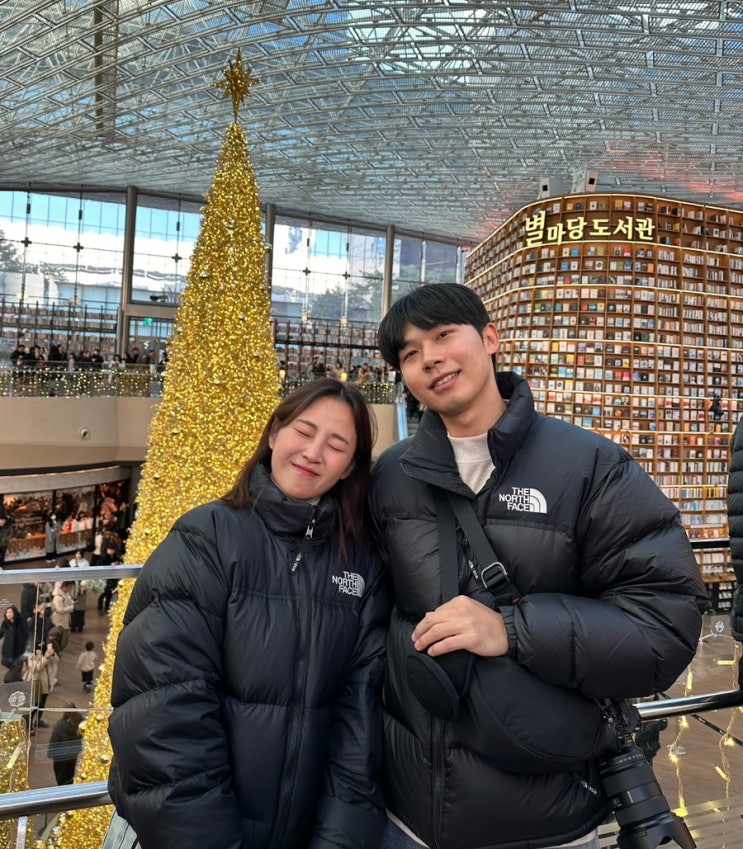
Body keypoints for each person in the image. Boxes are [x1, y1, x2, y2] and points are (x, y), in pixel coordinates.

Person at [368, 283, 708, 849]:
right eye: (409, 353)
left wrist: (513, 629)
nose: (429, 358)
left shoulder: (590, 465)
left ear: (490, 338)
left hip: (544, 819)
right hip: (404, 815)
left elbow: (664, 625)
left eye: (444, 335)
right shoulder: (391, 475)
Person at [103, 378, 388, 849]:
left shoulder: (359, 564)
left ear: (349, 468)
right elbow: (164, 715)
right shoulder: (206, 539)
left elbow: (359, 730)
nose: (313, 452)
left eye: (336, 446)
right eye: (304, 431)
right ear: (274, 433)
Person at [25, 640, 58, 733]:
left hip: (46, 684)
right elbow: (37, 667)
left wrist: (53, 654)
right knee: (34, 706)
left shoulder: (46, 653)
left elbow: (55, 661)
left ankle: (38, 720)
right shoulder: (32, 657)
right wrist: (45, 658)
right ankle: (29, 724)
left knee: (42, 705)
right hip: (36, 685)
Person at [47, 703, 84, 785]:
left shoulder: (60, 725)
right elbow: (82, 734)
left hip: (61, 755)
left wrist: (50, 752)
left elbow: (54, 739)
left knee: (61, 776)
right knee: (70, 774)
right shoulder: (80, 721)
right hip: (73, 753)